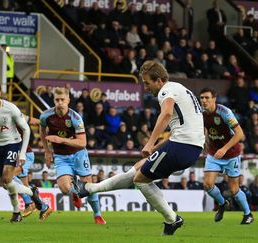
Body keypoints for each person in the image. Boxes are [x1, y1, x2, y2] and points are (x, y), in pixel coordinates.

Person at [74, 60, 205, 235]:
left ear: (159, 80)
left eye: (147, 82)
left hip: (182, 146)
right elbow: (181, 127)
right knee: (138, 168)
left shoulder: (166, 90)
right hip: (188, 146)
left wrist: (150, 142)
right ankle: (89, 188)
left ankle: (172, 219)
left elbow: (166, 114)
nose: (145, 87)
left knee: (140, 179)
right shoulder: (180, 89)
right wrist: (157, 147)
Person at [0, 81, 51, 222]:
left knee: (8, 178)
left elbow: (27, 128)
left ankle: (29, 203)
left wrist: (22, 153)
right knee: (6, 183)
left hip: (14, 144)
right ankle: (27, 201)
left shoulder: (11, 109)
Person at [40, 87, 106, 225]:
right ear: (54, 100)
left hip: (78, 155)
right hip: (61, 157)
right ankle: (75, 191)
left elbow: (82, 143)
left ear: (68, 100)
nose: (59, 103)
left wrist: (62, 140)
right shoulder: (46, 116)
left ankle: (97, 215)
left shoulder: (75, 118)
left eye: (62, 100)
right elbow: (42, 130)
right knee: (64, 189)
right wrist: (46, 150)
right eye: (57, 100)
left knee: (89, 186)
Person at [199, 87, 254, 224]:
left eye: (207, 98)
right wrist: (205, 141)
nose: (204, 101)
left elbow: (240, 134)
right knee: (207, 184)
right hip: (214, 153)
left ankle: (248, 214)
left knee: (234, 189)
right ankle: (223, 204)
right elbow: (206, 127)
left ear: (214, 99)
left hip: (231, 154)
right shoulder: (202, 113)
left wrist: (224, 149)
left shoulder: (224, 112)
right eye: (202, 98)